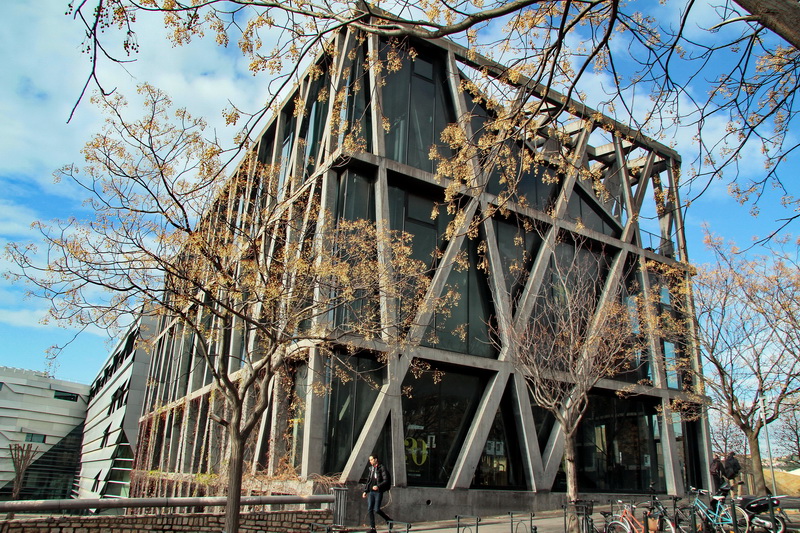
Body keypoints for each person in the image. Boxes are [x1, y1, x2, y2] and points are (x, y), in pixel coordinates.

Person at [362, 454, 393, 532]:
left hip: (378, 492)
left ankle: (388, 520)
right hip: (371, 492)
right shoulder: (371, 469)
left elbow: (386, 480)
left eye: (371, 460)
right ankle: (373, 528)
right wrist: (365, 491)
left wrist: (378, 486)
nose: (370, 461)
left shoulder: (382, 468)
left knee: (377, 509)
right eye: (370, 460)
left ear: (376, 459)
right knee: (370, 509)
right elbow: (369, 481)